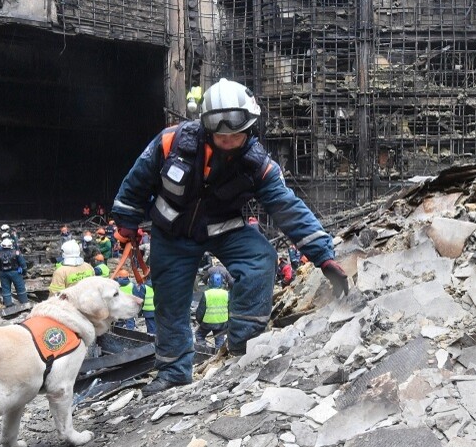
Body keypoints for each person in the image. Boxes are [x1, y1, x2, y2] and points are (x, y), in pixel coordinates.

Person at [111, 77, 349, 396]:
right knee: (169, 299)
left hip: (224, 229)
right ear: (206, 126)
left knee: (260, 259)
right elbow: (136, 182)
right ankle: (173, 373)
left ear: (249, 128)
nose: (227, 140)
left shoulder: (257, 165)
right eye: (220, 134)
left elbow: (287, 208)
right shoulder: (171, 143)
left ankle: (243, 348)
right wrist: (126, 221)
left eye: (235, 134)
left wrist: (323, 256)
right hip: (172, 233)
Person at [0, 238, 28, 307]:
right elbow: (23, 264)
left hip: (3, 274)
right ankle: (24, 303)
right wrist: (24, 272)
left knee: (6, 289)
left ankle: (8, 304)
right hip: (16, 273)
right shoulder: (16, 252)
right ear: (11, 245)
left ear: (2, 245)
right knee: (20, 288)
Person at [195, 273, 228, 349]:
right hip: (222, 323)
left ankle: (203, 350)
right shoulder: (226, 294)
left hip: (207, 322)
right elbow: (230, 309)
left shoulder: (207, 294)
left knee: (199, 335)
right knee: (219, 340)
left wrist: (200, 321)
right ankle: (218, 353)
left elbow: (201, 310)